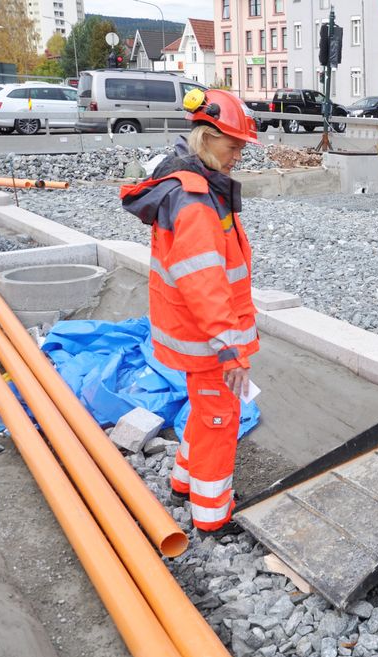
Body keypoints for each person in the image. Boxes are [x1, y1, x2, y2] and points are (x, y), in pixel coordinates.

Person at [120, 88, 260, 534]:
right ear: (205, 136)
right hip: (208, 337)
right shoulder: (196, 198)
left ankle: (183, 482)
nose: (239, 154)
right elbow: (204, 280)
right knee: (220, 418)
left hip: (191, 329)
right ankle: (212, 516)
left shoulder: (186, 183)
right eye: (232, 145)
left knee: (204, 411)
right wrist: (229, 348)